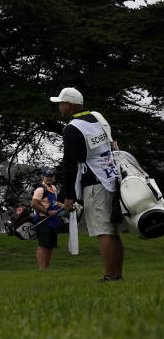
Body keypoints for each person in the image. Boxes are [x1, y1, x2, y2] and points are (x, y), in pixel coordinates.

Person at [51, 87, 124, 282]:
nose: (59, 107)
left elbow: (69, 164)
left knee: (103, 230)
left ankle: (111, 276)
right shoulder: (98, 117)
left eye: (61, 103)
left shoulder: (72, 128)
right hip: (111, 177)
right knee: (113, 232)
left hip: (94, 182)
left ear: (68, 105)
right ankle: (117, 275)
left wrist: (68, 197)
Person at [30, 168, 62, 269]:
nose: (49, 178)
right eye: (47, 176)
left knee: (50, 245)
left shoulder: (53, 188)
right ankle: (41, 269)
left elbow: (55, 203)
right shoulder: (40, 189)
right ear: (43, 177)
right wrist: (47, 212)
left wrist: (66, 206)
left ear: (54, 177)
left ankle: (46, 268)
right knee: (43, 245)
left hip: (52, 220)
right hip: (43, 220)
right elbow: (34, 203)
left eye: (51, 176)